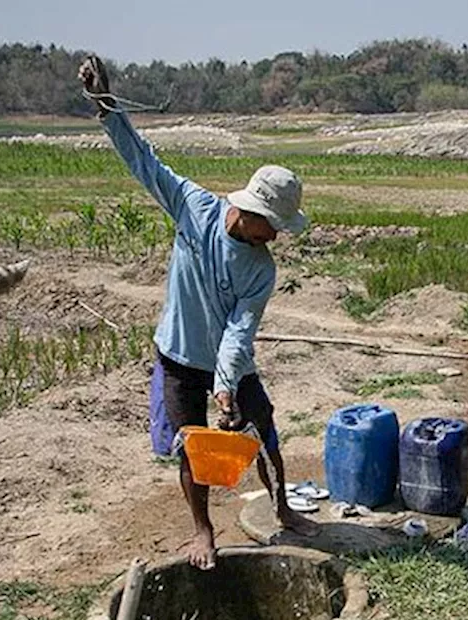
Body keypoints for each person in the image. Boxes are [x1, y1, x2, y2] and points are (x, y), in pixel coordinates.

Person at [79, 55, 318, 569]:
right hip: (181, 356)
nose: (276, 236)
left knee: (264, 429)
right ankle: (203, 530)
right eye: (272, 225)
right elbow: (143, 162)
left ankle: (282, 507)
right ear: (251, 211)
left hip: (230, 364)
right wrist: (106, 105)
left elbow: (239, 331)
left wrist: (227, 385)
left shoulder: (261, 269)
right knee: (193, 447)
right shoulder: (194, 208)